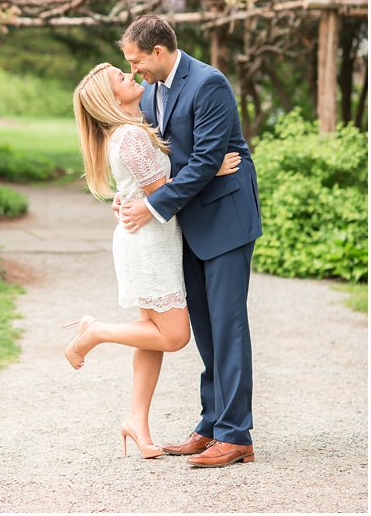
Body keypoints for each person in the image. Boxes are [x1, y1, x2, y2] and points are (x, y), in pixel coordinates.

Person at [63, 61, 241, 459]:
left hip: (147, 237)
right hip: (149, 244)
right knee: (174, 335)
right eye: (122, 79)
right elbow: (165, 191)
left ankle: (136, 420)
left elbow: (148, 189)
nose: (132, 77)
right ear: (113, 99)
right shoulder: (129, 136)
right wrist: (212, 170)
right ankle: (96, 331)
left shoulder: (130, 130)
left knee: (150, 333)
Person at [115, 15, 262, 468]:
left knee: (228, 325)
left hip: (225, 219)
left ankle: (236, 436)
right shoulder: (156, 90)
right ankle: (211, 423)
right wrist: (130, 196)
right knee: (203, 324)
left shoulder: (208, 83)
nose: (135, 71)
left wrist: (152, 207)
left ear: (158, 51)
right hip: (189, 223)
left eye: (137, 62)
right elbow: (168, 158)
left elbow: (206, 159)